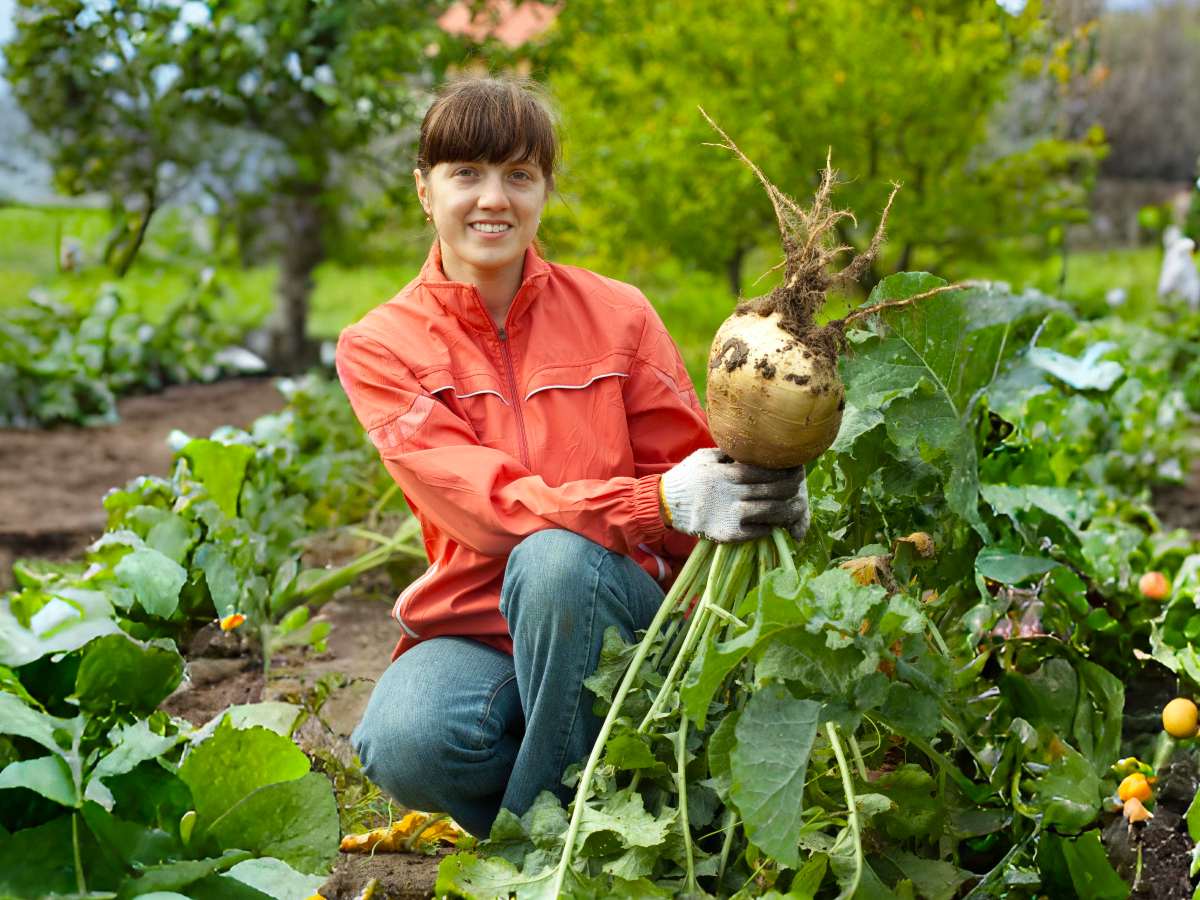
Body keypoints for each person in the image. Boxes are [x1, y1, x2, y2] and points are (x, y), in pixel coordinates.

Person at [335, 75, 809, 838]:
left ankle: (540, 848)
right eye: (467, 174)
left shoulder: (618, 314)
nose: (494, 199)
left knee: (557, 565)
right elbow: (485, 509)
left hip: (616, 620)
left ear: (544, 191)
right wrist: (647, 504)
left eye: (519, 175)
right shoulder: (379, 346)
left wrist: (760, 496)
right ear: (426, 191)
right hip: (478, 633)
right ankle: (607, 804)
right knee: (406, 742)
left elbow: (690, 480)